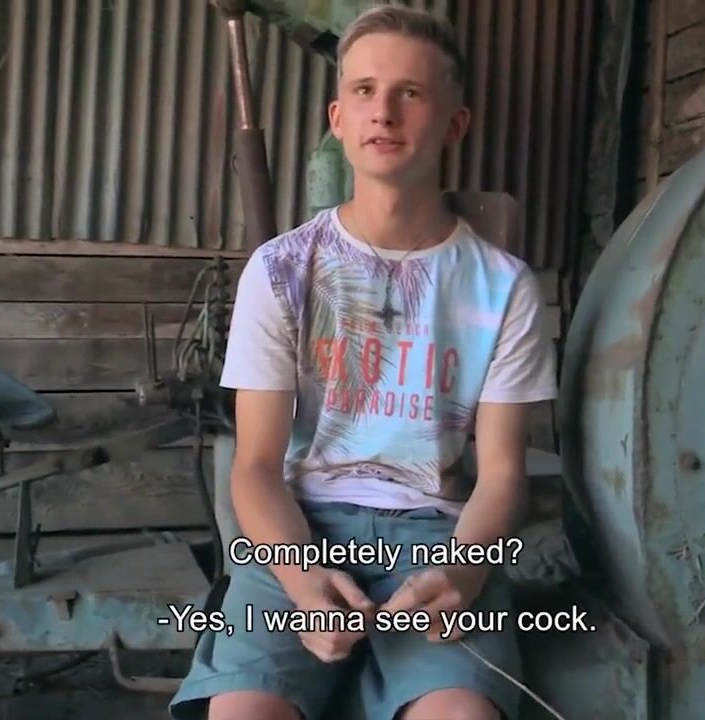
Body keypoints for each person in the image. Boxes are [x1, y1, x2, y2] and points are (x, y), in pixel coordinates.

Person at [168, 5, 558, 720]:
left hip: (438, 538)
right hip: (298, 529)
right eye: (365, 90)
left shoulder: (504, 288)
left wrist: (464, 574)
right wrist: (299, 577)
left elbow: (503, 474)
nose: (384, 111)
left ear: (455, 124)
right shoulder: (282, 269)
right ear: (339, 117)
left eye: (411, 92)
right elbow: (255, 468)